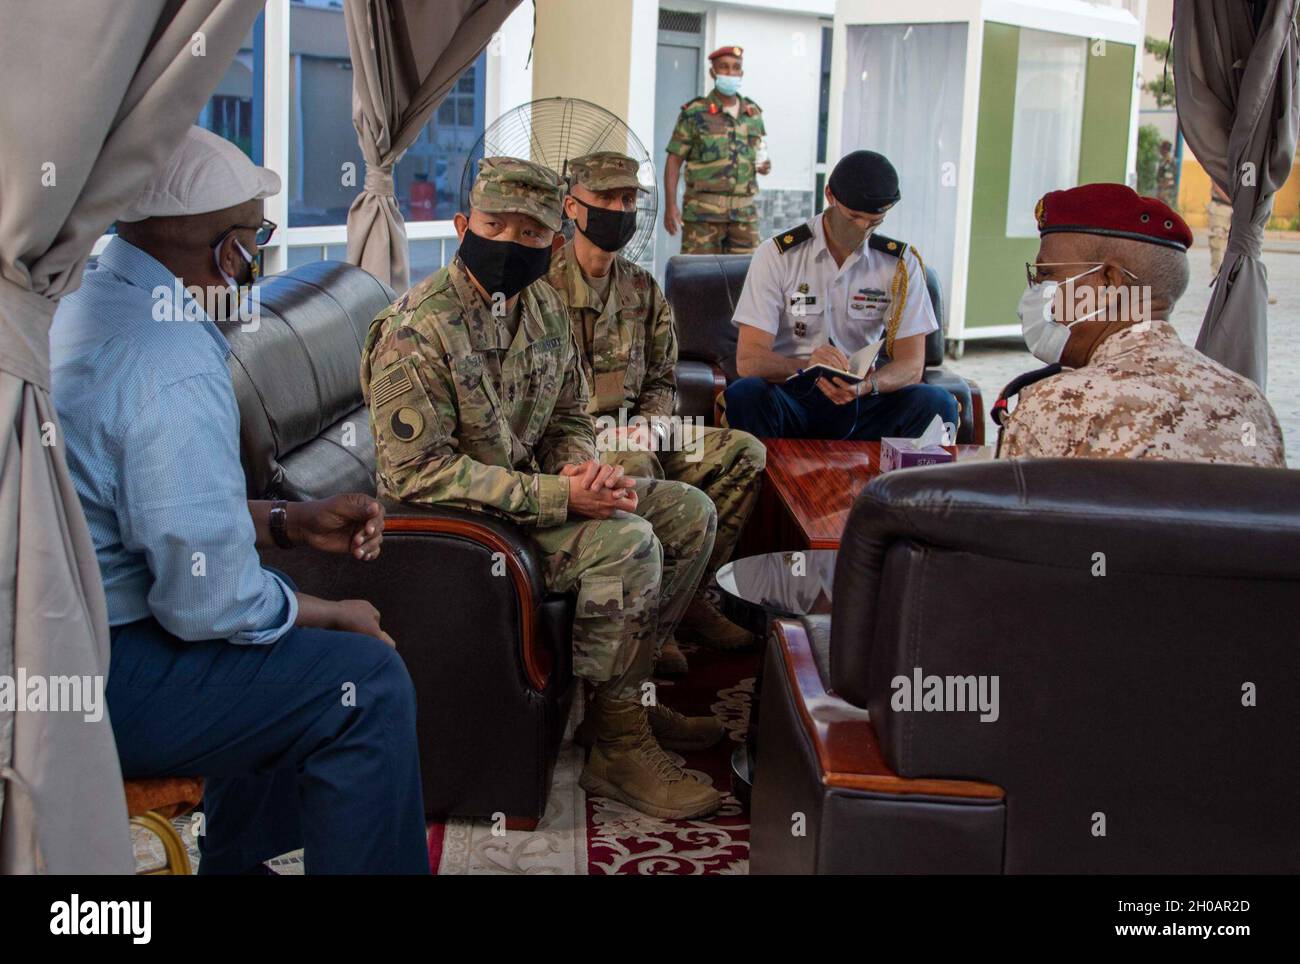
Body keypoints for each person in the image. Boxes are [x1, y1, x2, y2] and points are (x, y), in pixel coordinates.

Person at [49, 126, 428, 874]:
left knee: (276, 651)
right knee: (365, 680)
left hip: (53, 642)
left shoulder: (84, 302)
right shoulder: (170, 364)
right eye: (256, 238)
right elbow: (209, 606)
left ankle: (235, 865)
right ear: (228, 250)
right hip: (93, 676)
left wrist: (285, 523)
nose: (255, 255)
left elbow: (141, 516)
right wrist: (328, 611)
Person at [361, 156, 726, 820]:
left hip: (532, 500)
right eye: (494, 226)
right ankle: (617, 748)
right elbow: (418, 475)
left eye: (529, 236)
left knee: (688, 513)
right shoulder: (417, 330)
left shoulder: (543, 307)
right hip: (461, 533)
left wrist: (582, 467)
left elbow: (568, 416)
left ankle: (625, 698)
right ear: (461, 224)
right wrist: (561, 497)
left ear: (553, 243)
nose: (508, 245)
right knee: (630, 544)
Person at [545, 151, 767, 674]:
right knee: (634, 465)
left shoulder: (642, 290)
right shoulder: (540, 288)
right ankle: (648, 628)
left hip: (645, 431)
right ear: (572, 206)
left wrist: (655, 422)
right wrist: (619, 436)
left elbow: (664, 381)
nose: (620, 210)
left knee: (743, 453)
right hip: (576, 443)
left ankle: (684, 598)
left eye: (628, 200)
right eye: (606, 199)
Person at [997, 182, 1285, 466]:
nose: (1035, 289)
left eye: (1046, 274)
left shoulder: (1053, 405)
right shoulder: (1250, 403)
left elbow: (1008, 511)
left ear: (1108, 282)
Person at [722, 150, 958, 440]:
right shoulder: (779, 255)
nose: (862, 229)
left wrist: (868, 386)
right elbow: (749, 360)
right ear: (830, 196)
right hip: (794, 393)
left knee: (937, 404)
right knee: (745, 395)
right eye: (853, 217)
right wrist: (807, 365)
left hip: (862, 398)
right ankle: (762, 484)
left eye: (874, 222)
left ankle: (905, 485)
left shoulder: (899, 263)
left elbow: (912, 364)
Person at [663, 44, 770, 255]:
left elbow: (759, 153)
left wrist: (764, 165)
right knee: (698, 279)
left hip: (744, 217)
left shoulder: (753, 113)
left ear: (741, 72)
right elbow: (674, 161)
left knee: (745, 280)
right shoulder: (695, 112)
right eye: (724, 67)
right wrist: (671, 206)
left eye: (735, 67)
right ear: (713, 72)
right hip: (703, 215)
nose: (730, 73)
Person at [1208, 182, 1232, 276]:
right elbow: (1217, 185)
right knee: (1217, 244)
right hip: (1220, 206)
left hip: (1237, 207)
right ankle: (1218, 276)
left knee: (1234, 245)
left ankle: (1229, 277)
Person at [1155, 140, 1178, 208]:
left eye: (1161, 148)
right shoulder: (1163, 161)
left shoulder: (1169, 162)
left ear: (1165, 150)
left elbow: (1168, 179)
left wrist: (1162, 192)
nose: (1160, 150)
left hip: (1166, 193)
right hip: (1162, 191)